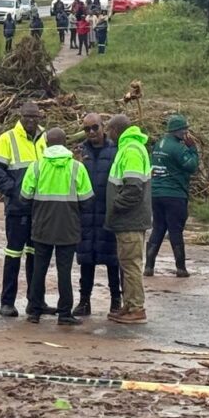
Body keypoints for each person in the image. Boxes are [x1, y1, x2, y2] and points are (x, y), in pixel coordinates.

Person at [21, 128, 93, 326]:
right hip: (68, 227)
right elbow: (87, 201)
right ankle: (64, 314)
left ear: (46, 142)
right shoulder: (77, 168)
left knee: (39, 269)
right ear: (65, 142)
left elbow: (24, 197)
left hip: (42, 225)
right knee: (64, 271)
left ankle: (34, 311)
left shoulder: (36, 167)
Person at [0, 101, 53, 317]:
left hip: (41, 208)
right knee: (13, 255)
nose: (30, 121)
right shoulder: (8, 138)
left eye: (34, 117)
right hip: (18, 209)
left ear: (39, 118)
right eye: (27, 117)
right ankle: (7, 302)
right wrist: (13, 191)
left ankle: (36, 301)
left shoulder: (46, 137)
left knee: (37, 256)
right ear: (20, 116)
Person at [105, 114, 152, 324]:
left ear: (116, 130)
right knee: (127, 263)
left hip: (130, 220)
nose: (107, 135)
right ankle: (129, 304)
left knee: (131, 265)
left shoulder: (131, 150)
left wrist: (115, 206)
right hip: (129, 220)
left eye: (109, 131)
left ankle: (136, 308)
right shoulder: (130, 147)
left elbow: (133, 188)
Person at [75, 112, 122, 316]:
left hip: (108, 212)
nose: (92, 132)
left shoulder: (115, 151)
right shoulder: (79, 152)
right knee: (86, 260)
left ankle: (116, 301)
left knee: (113, 260)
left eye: (95, 127)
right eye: (87, 129)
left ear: (103, 127)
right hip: (85, 214)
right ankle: (84, 301)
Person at [146, 115, 199, 278]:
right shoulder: (178, 148)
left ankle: (149, 266)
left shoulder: (158, 144)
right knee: (176, 230)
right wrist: (193, 149)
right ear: (177, 130)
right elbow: (192, 167)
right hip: (174, 194)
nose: (186, 133)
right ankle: (181, 267)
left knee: (158, 228)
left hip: (156, 193)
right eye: (185, 129)